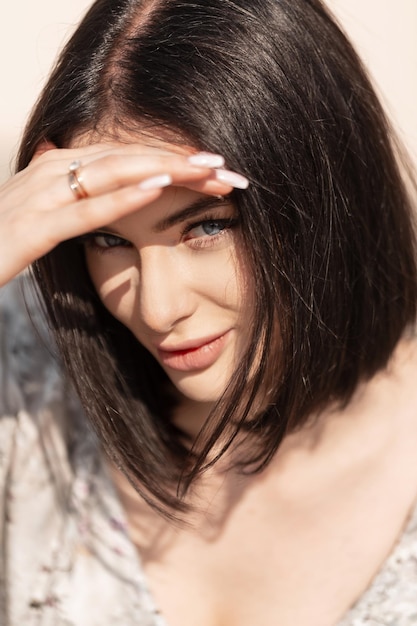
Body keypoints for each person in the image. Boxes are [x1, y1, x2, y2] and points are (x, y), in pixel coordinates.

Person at [1, 0, 417, 624]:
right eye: (108, 240)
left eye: (207, 226)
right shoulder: (28, 368)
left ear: (321, 191)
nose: (157, 307)